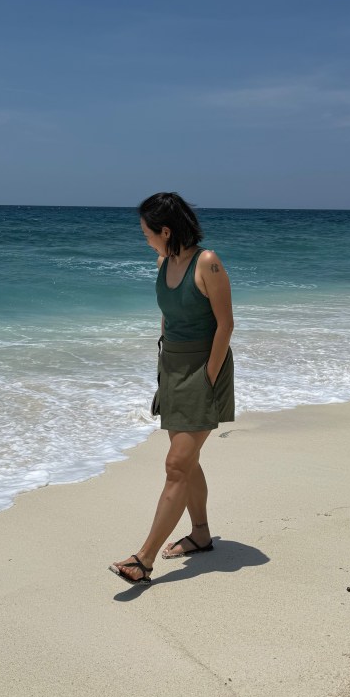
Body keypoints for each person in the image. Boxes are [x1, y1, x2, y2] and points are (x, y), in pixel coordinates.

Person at [109, 192, 235, 585]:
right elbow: (168, 317)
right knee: (187, 459)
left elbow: (225, 325)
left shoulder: (208, 263)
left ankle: (143, 559)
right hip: (173, 367)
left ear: (165, 230)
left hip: (204, 369)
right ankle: (200, 533)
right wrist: (165, 365)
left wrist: (210, 378)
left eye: (147, 233)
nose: (144, 239)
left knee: (176, 465)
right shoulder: (164, 262)